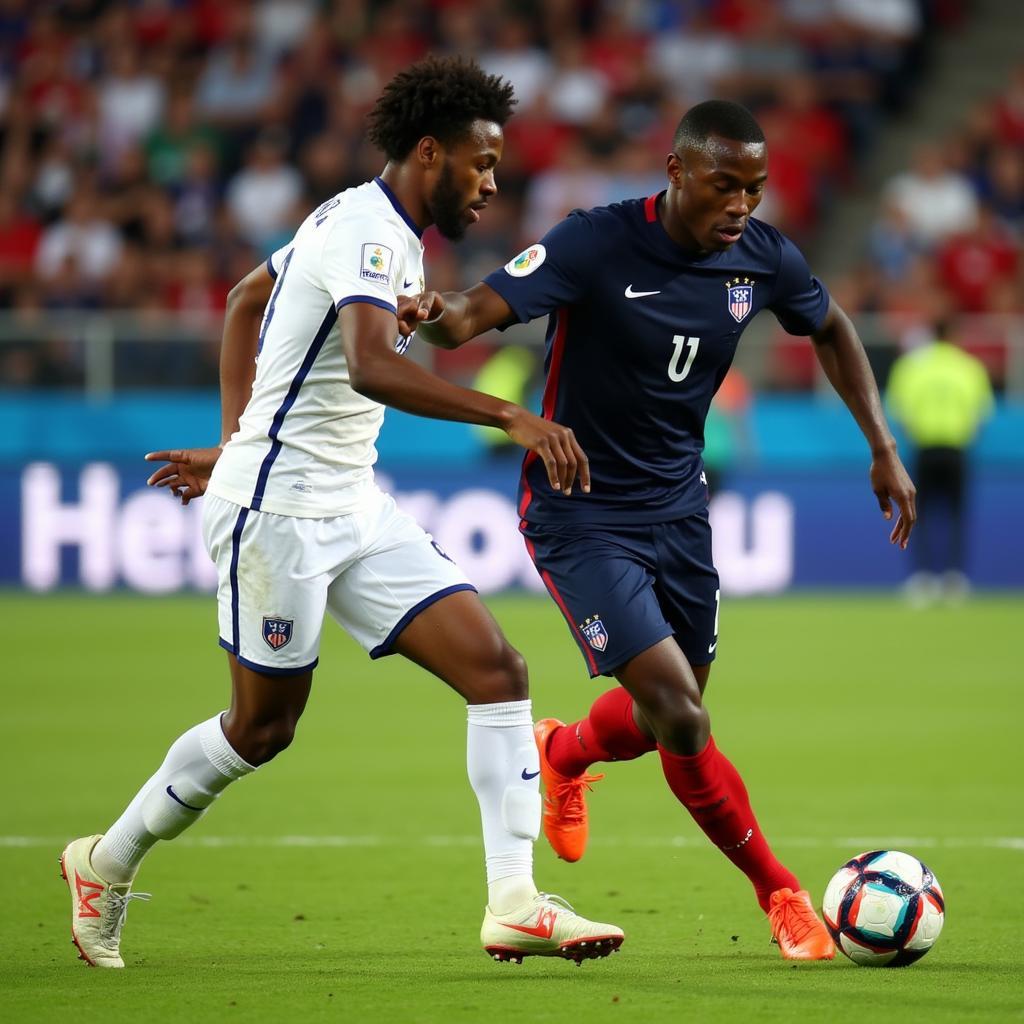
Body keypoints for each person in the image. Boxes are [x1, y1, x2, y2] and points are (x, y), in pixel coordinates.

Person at [61, 56, 623, 970]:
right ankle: (105, 859)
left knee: (498, 669)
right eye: (481, 164)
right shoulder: (369, 230)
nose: (492, 183)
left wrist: (240, 433)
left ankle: (514, 901)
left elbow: (251, 300)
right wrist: (511, 415)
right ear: (430, 152)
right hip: (278, 515)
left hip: (351, 502)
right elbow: (369, 362)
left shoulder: (363, 221)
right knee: (262, 729)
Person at [401, 100, 918, 961]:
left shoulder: (760, 258)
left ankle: (561, 752)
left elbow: (830, 325)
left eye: (754, 188)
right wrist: (434, 311)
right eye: (725, 185)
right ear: (676, 172)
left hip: (680, 511)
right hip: (581, 509)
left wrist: (882, 445)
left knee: (670, 712)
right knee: (680, 715)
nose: (742, 206)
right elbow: (477, 311)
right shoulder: (595, 241)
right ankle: (781, 892)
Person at [886, 327, 993, 604]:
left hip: (924, 448)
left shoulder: (912, 367)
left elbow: (898, 410)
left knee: (916, 516)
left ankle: (922, 580)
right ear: (954, 337)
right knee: (956, 515)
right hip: (956, 449)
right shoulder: (970, 367)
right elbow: (981, 415)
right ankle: (954, 579)